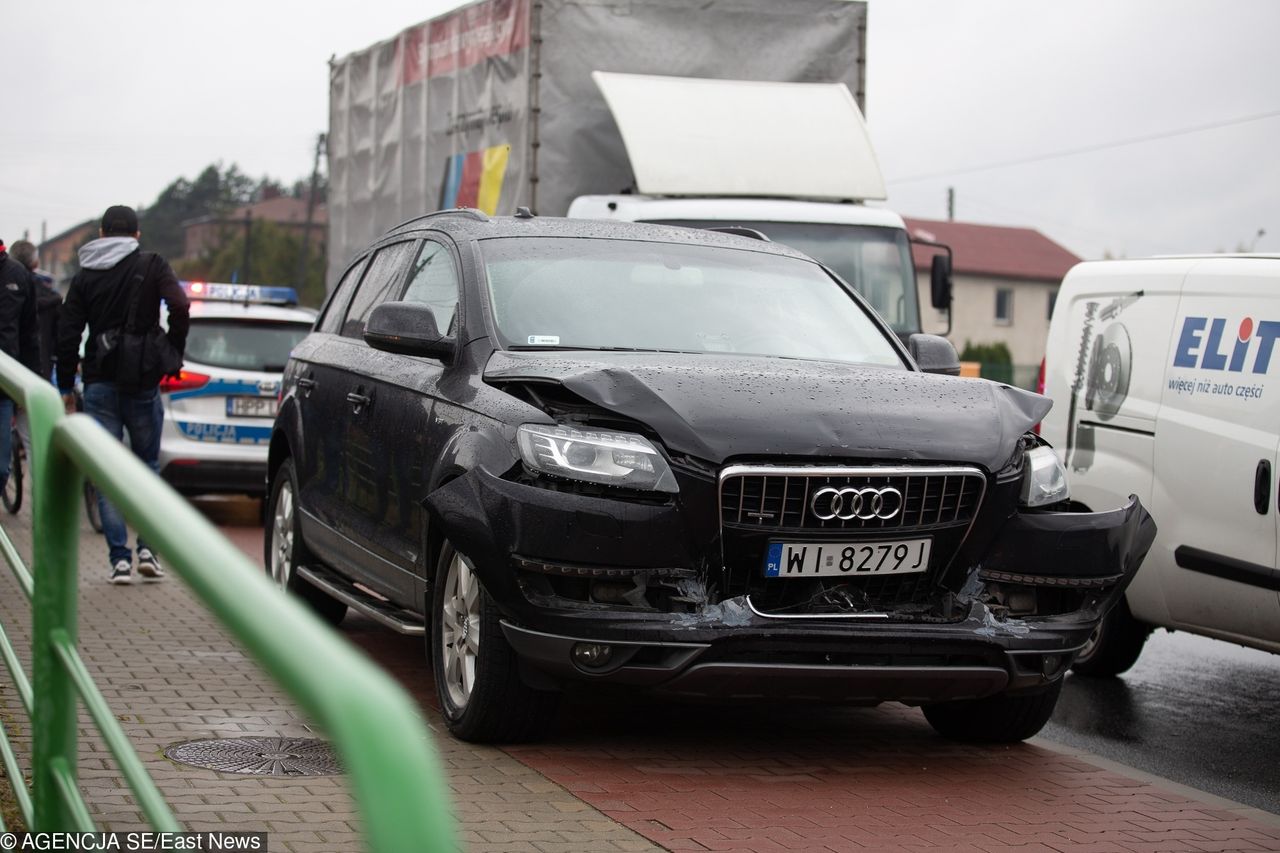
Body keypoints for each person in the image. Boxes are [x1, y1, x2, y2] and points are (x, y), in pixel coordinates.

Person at [56, 205, 190, 585]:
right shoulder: (152, 264)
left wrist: (67, 384)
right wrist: (171, 349)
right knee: (147, 464)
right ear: (136, 235)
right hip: (143, 379)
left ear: (101, 233)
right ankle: (148, 548)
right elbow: (179, 305)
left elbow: (68, 333)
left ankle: (119, 559)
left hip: (99, 381)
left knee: (106, 469)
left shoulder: (84, 275)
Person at [0, 239, 41, 498]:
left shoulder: (18, 275)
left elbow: (29, 335)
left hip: (2, 388)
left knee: (1, 470)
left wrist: (31, 384)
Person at [9, 240, 62, 383]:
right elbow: (60, 337)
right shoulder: (52, 298)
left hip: (8, 372)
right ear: (36, 263)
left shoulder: (8, 293)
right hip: (41, 372)